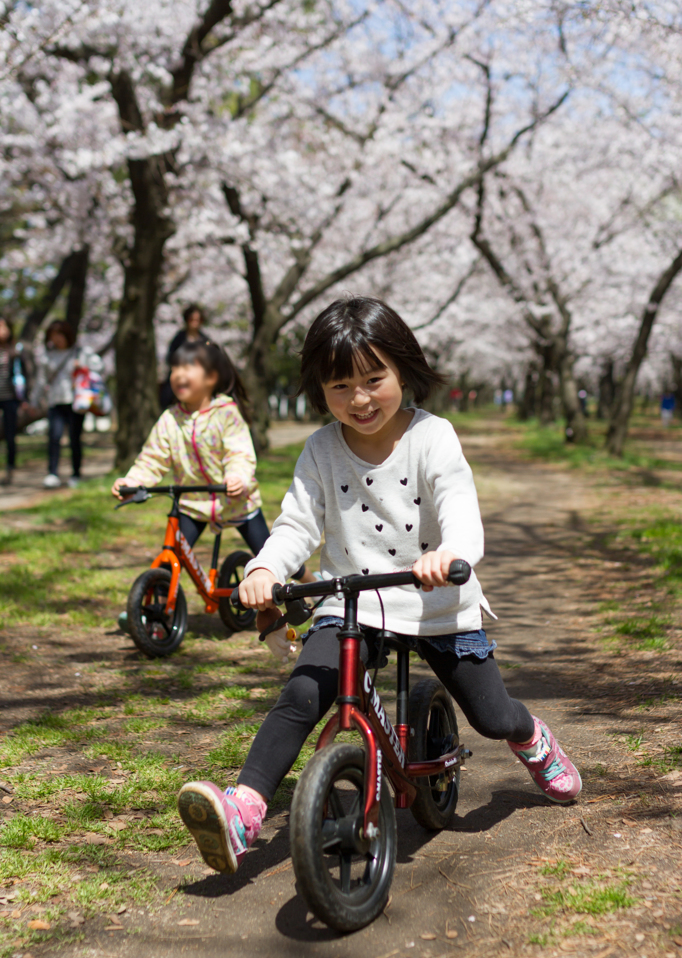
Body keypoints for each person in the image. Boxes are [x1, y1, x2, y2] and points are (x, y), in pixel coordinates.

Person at [176, 297, 582, 875]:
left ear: (403, 371)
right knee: (301, 695)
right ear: (319, 389)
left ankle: (532, 738)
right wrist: (266, 568)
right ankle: (244, 811)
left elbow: (459, 507)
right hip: (352, 601)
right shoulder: (320, 449)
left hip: (436, 599)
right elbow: (296, 523)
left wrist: (451, 554)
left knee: (490, 716)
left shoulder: (433, 437)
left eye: (374, 379)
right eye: (341, 386)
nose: (360, 399)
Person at [112, 340, 316, 629]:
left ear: (211, 378)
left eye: (188, 368)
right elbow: (152, 458)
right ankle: (150, 607)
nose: (179, 375)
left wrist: (238, 477)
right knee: (169, 554)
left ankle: (311, 584)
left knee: (271, 554)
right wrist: (133, 481)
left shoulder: (226, 414)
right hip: (193, 503)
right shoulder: (170, 419)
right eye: (175, 368)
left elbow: (239, 452)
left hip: (235, 500)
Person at [31, 320, 89, 489]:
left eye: (59, 335)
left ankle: (76, 473)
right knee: (54, 437)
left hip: (76, 402)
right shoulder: (47, 356)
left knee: (74, 438)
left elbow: (97, 366)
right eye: (53, 336)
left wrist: (82, 367)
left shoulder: (79, 353)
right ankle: (52, 473)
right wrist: (34, 402)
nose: (56, 339)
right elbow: (41, 381)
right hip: (55, 402)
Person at [160, 304, 209, 410]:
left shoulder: (205, 340)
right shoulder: (179, 338)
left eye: (198, 320)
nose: (195, 323)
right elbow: (171, 358)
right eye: (192, 319)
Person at [0, 313, 30, 486]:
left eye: (3, 326)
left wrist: (23, 399)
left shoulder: (15, 351)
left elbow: (22, 376)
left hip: (10, 398)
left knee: (10, 435)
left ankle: (10, 469)